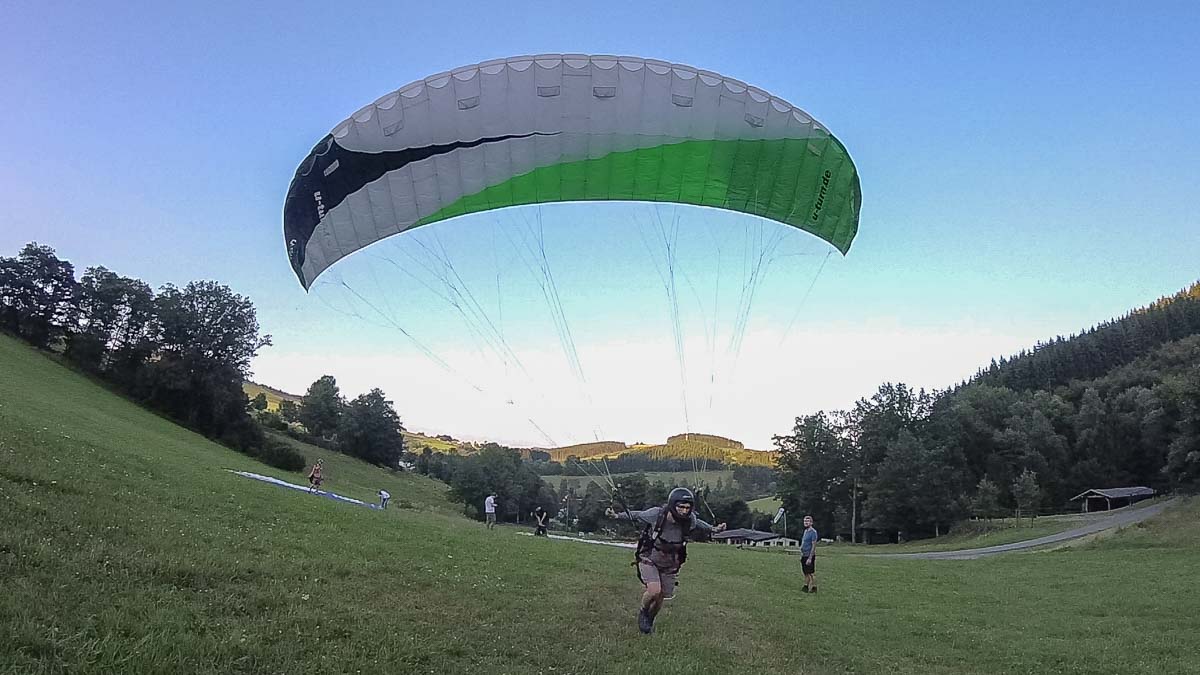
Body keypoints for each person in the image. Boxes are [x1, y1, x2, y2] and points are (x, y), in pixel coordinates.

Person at [605, 487, 726, 634]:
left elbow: (699, 524)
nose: (684, 511)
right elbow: (636, 515)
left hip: (670, 562)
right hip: (650, 557)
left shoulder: (690, 520)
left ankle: (650, 619)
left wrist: (714, 529)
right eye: (681, 507)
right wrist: (617, 516)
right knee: (654, 591)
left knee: (661, 596)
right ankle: (643, 611)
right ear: (673, 505)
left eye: (687, 508)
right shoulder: (657, 514)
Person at [800, 515, 818, 593]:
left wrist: (810, 558)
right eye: (805, 521)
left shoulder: (813, 532)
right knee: (805, 572)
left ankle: (814, 587)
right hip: (804, 555)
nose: (806, 522)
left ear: (811, 523)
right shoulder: (805, 531)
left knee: (811, 573)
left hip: (809, 555)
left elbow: (813, 545)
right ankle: (806, 586)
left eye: (807, 521)